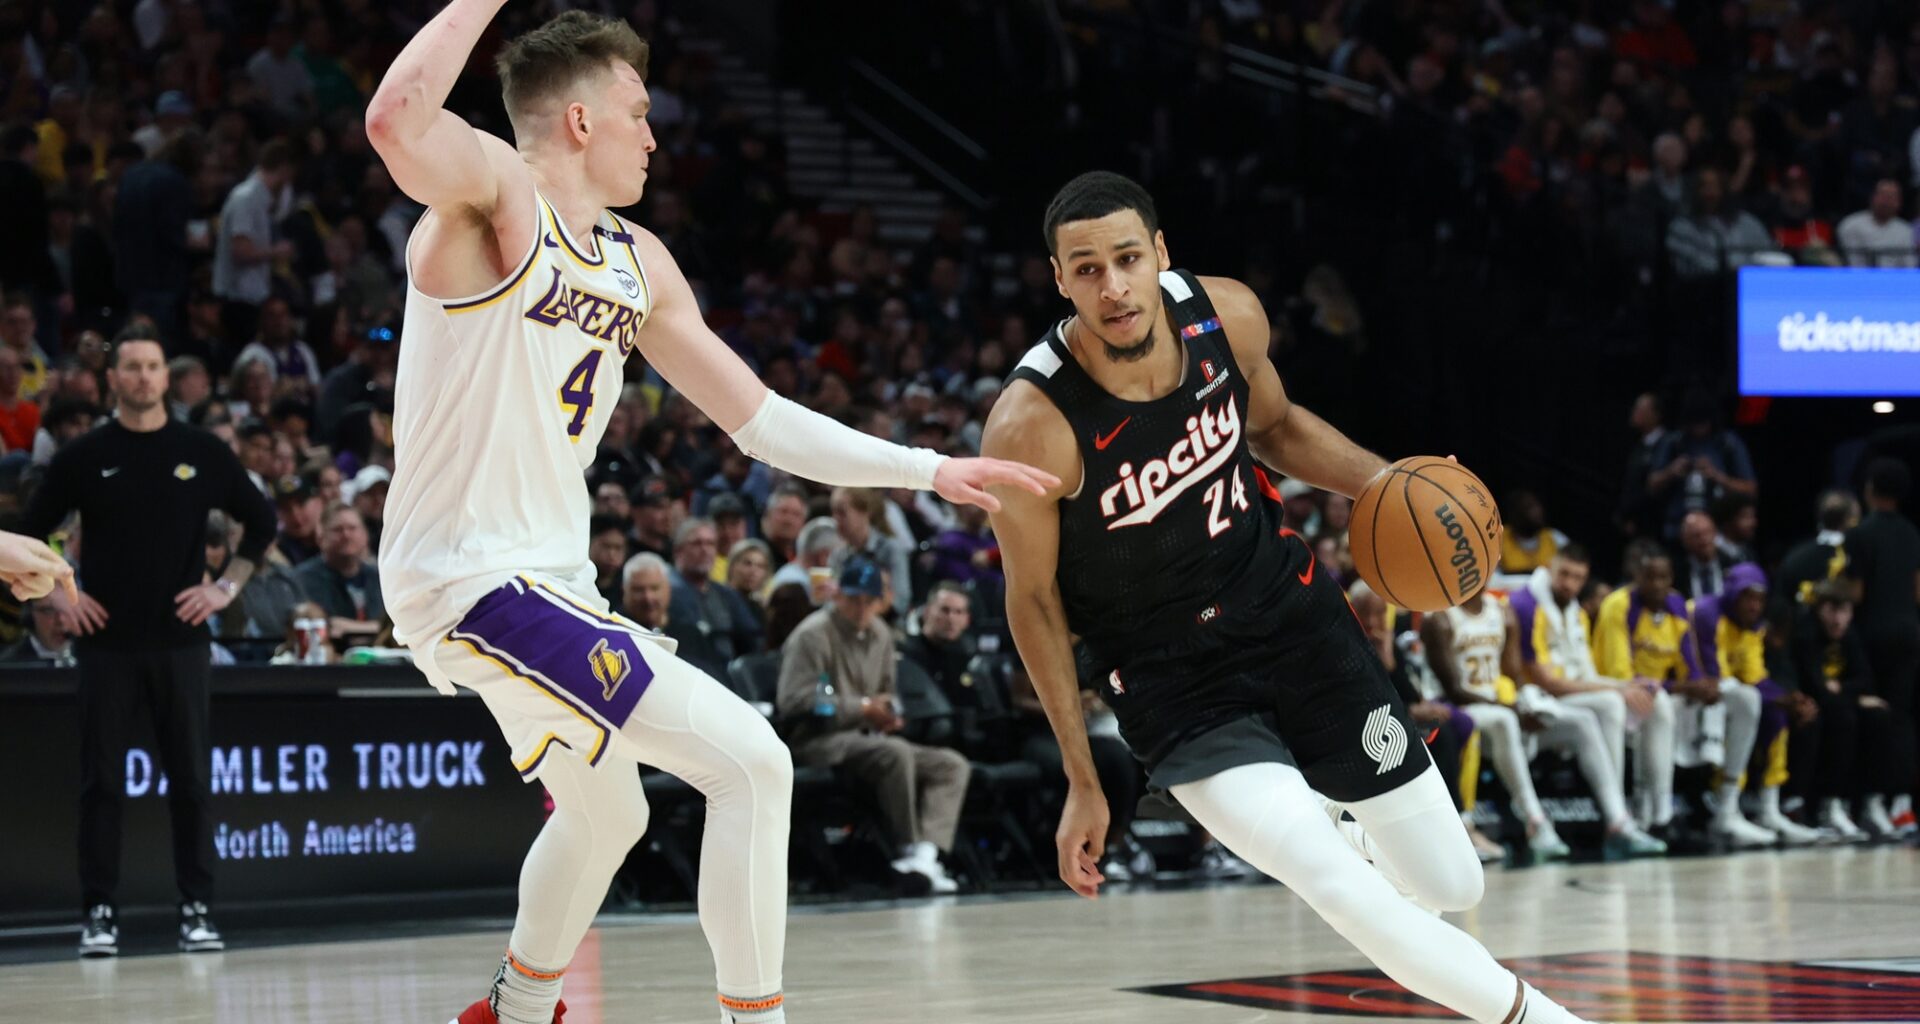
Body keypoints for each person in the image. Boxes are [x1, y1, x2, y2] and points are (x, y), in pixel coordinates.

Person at [365, 8, 1050, 1022]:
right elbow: (395, 120)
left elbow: (761, 421)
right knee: (752, 760)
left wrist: (926, 466)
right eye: (639, 112)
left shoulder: (638, 261)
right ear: (583, 119)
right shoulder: (499, 199)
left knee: (610, 815)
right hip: (472, 577)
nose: (655, 134)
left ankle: (513, 1007)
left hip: (544, 582)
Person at [982, 171, 1596, 1024]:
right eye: (1087, 269)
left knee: (1453, 884)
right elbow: (1034, 602)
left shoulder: (1224, 316)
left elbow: (1274, 429)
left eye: (1127, 258)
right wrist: (1082, 778)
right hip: (1174, 686)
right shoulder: (1030, 422)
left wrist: (1392, 484)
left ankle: (1346, 828)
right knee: (1339, 887)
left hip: (1291, 618)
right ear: (1058, 278)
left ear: (1160, 254)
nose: (1113, 286)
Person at [23, 336, 276, 957]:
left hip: (181, 643)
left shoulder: (201, 451)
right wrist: (62, 595)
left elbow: (261, 522)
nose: (142, 377)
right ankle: (100, 914)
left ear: (167, 377)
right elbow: (28, 535)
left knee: (190, 781)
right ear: (112, 378)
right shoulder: (86, 455)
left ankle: (196, 910)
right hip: (105, 645)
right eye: (131, 367)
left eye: (153, 367)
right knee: (101, 783)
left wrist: (222, 589)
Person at [777, 559, 970, 893]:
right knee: (894, 753)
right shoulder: (812, 636)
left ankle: (925, 858)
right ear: (837, 595)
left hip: (867, 738)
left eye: (870, 600)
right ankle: (906, 847)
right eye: (854, 599)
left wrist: (890, 712)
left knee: (950, 765)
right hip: (817, 740)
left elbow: (886, 692)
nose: (862, 607)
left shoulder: (881, 634)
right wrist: (862, 708)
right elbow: (795, 703)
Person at [1595, 546, 1772, 845]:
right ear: (1637, 577)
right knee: (1659, 704)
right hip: (1617, 694)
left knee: (1746, 699)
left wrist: (1701, 686)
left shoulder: (1677, 605)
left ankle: (1728, 808)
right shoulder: (1618, 605)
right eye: (1650, 578)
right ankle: (1659, 815)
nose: (1658, 585)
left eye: (1664, 578)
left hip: (1665, 693)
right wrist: (1684, 688)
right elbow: (1624, 679)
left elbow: (1688, 668)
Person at [1508, 545, 1678, 841]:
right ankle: (1619, 810)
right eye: (1564, 574)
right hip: (1534, 705)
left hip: (1570, 699)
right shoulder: (1526, 605)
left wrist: (1632, 686)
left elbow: (1584, 675)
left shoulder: (1577, 613)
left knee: (1656, 699)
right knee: (1611, 701)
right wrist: (1619, 686)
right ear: (1549, 567)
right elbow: (1548, 682)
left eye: (1578, 578)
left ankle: (1659, 813)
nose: (1569, 584)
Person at [1688, 564, 1822, 843]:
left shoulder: (1751, 626)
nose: (1754, 606)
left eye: (1760, 600)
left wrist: (1789, 699)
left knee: (1777, 713)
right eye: (1748, 597)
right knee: (1745, 701)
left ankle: (1768, 809)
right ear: (1732, 594)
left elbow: (1755, 676)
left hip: (1727, 693)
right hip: (1691, 691)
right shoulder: (1707, 614)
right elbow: (1716, 674)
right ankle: (1724, 808)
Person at [1842, 458, 1920, 836]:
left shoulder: (1860, 534)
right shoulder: (1911, 533)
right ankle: (1903, 804)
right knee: (1903, 718)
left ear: (1870, 489)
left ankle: (1871, 801)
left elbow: (1855, 593)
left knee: (1873, 714)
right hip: (1909, 631)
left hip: (1873, 633)